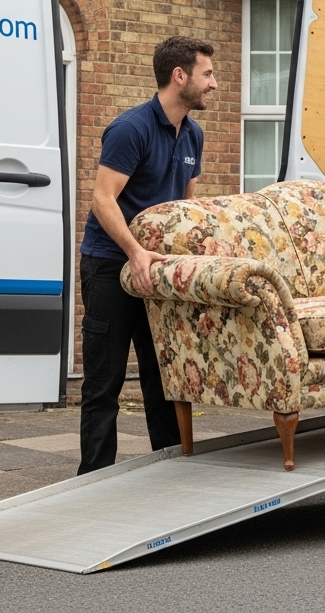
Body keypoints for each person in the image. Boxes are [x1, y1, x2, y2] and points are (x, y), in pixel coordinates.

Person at [76, 36, 217, 474]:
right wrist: (135, 253)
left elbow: (184, 211)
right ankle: (94, 480)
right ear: (180, 76)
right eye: (207, 74)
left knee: (165, 379)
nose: (214, 84)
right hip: (109, 264)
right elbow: (103, 198)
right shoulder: (130, 129)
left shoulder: (193, 133)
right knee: (105, 382)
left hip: (157, 273)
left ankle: (169, 471)